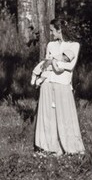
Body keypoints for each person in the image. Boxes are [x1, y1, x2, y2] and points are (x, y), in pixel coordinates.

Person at [31, 20, 84, 155]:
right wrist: (50, 66)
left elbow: (70, 66)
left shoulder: (74, 45)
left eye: (53, 30)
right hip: (47, 82)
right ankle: (49, 147)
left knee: (65, 116)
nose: (51, 33)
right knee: (48, 116)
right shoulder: (51, 45)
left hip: (63, 83)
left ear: (60, 30)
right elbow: (45, 64)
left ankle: (71, 148)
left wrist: (54, 61)